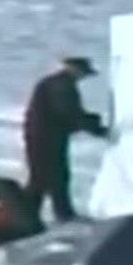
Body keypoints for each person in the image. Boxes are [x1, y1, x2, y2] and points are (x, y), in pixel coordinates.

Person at [22, 56, 108, 223]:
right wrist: (95, 127)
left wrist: (89, 122)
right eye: (83, 73)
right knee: (49, 178)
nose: (83, 77)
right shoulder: (61, 87)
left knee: (45, 177)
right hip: (46, 138)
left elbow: (68, 114)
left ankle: (31, 215)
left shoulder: (57, 84)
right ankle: (54, 215)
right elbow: (69, 113)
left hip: (45, 137)